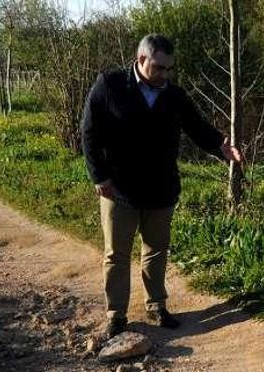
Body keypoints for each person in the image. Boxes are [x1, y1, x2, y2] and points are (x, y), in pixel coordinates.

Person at [81, 33, 243, 337]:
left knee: (156, 250)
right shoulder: (110, 85)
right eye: (159, 68)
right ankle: (116, 314)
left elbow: (197, 127)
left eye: (170, 69)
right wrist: (99, 176)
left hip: (161, 189)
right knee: (116, 254)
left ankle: (156, 305)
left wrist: (220, 145)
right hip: (120, 191)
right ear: (141, 60)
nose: (165, 75)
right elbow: (89, 133)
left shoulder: (175, 95)